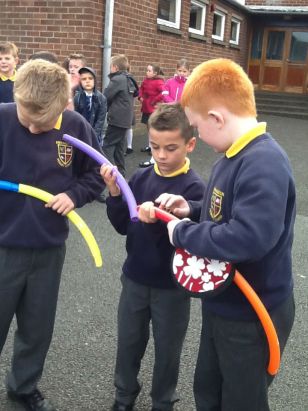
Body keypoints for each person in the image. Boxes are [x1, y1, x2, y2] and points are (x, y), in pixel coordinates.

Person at [140, 58, 296, 411]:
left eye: (195, 126)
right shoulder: (232, 154)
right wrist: (190, 209)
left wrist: (183, 233)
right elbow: (222, 211)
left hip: (252, 314)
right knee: (209, 390)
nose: (196, 134)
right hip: (225, 303)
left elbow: (248, 238)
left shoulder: (263, 162)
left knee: (240, 400)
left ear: (216, 118)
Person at [0, 59, 103, 411]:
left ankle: (23, 386)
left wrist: (74, 195)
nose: (30, 129)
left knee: (37, 324)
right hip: (2, 244)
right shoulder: (1, 117)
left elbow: (96, 174)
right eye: (25, 119)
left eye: (40, 124)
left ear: (62, 106)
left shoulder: (75, 126)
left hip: (47, 246)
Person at [101, 103, 206, 411]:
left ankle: (163, 401)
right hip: (134, 278)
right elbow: (122, 226)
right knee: (129, 342)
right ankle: (124, 395)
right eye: (155, 146)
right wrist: (116, 194)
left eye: (171, 148)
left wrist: (168, 216)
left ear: (190, 145)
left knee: (168, 349)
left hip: (171, 288)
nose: (161, 155)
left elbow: (199, 241)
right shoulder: (140, 178)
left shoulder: (194, 188)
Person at [103, 54, 138, 177]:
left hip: (117, 119)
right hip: (126, 120)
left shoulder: (117, 79)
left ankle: (112, 173)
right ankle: (121, 172)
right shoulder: (129, 78)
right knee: (119, 147)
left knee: (107, 145)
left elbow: (105, 96)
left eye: (110, 66)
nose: (109, 69)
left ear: (115, 67)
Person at [138, 64, 164, 168]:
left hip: (153, 109)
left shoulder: (159, 82)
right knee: (148, 128)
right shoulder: (145, 80)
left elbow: (163, 93)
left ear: (155, 73)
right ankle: (150, 146)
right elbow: (141, 89)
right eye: (147, 70)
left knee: (154, 129)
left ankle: (154, 147)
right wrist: (140, 96)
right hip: (146, 107)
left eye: (149, 71)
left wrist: (154, 101)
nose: (147, 72)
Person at [74, 66, 107, 146]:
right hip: (81, 134)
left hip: (95, 134)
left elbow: (100, 119)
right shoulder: (77, 98)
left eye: (90, 78)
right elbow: (76, 117)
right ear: (80, 82)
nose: (87, 81)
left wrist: (93, 135)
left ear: (95, 81)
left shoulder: (101, 98)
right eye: (84, 79)